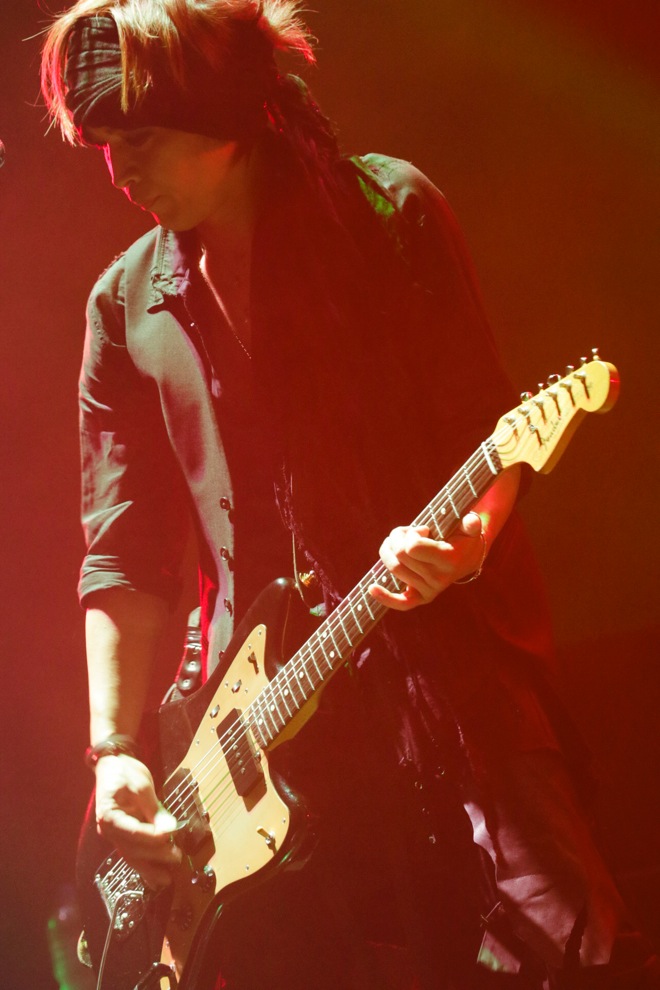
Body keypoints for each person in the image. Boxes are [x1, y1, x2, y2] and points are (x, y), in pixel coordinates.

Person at [40, 2, 658, 988]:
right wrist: (114, 749)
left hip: (449, 677)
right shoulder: (123, 307)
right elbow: (121, 552)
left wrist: (468, 544)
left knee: (566, 953)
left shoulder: (386, 211)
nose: (118, 172)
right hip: (251, 731)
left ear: (219, 115)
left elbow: (488, 432)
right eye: (104, 146)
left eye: (139, 138)